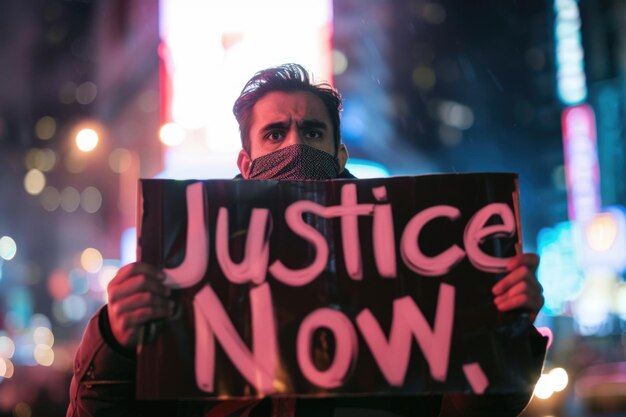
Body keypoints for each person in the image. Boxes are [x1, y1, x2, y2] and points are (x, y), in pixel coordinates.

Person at [67, 63, 546, 417]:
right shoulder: (190, 267)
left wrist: (503, 331)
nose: (295, 145)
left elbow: (470, 412)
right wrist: (118, 340)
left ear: (338, 153)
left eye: (312, 131)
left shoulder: (412, 257)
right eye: (274, 134)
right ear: (244, 162)